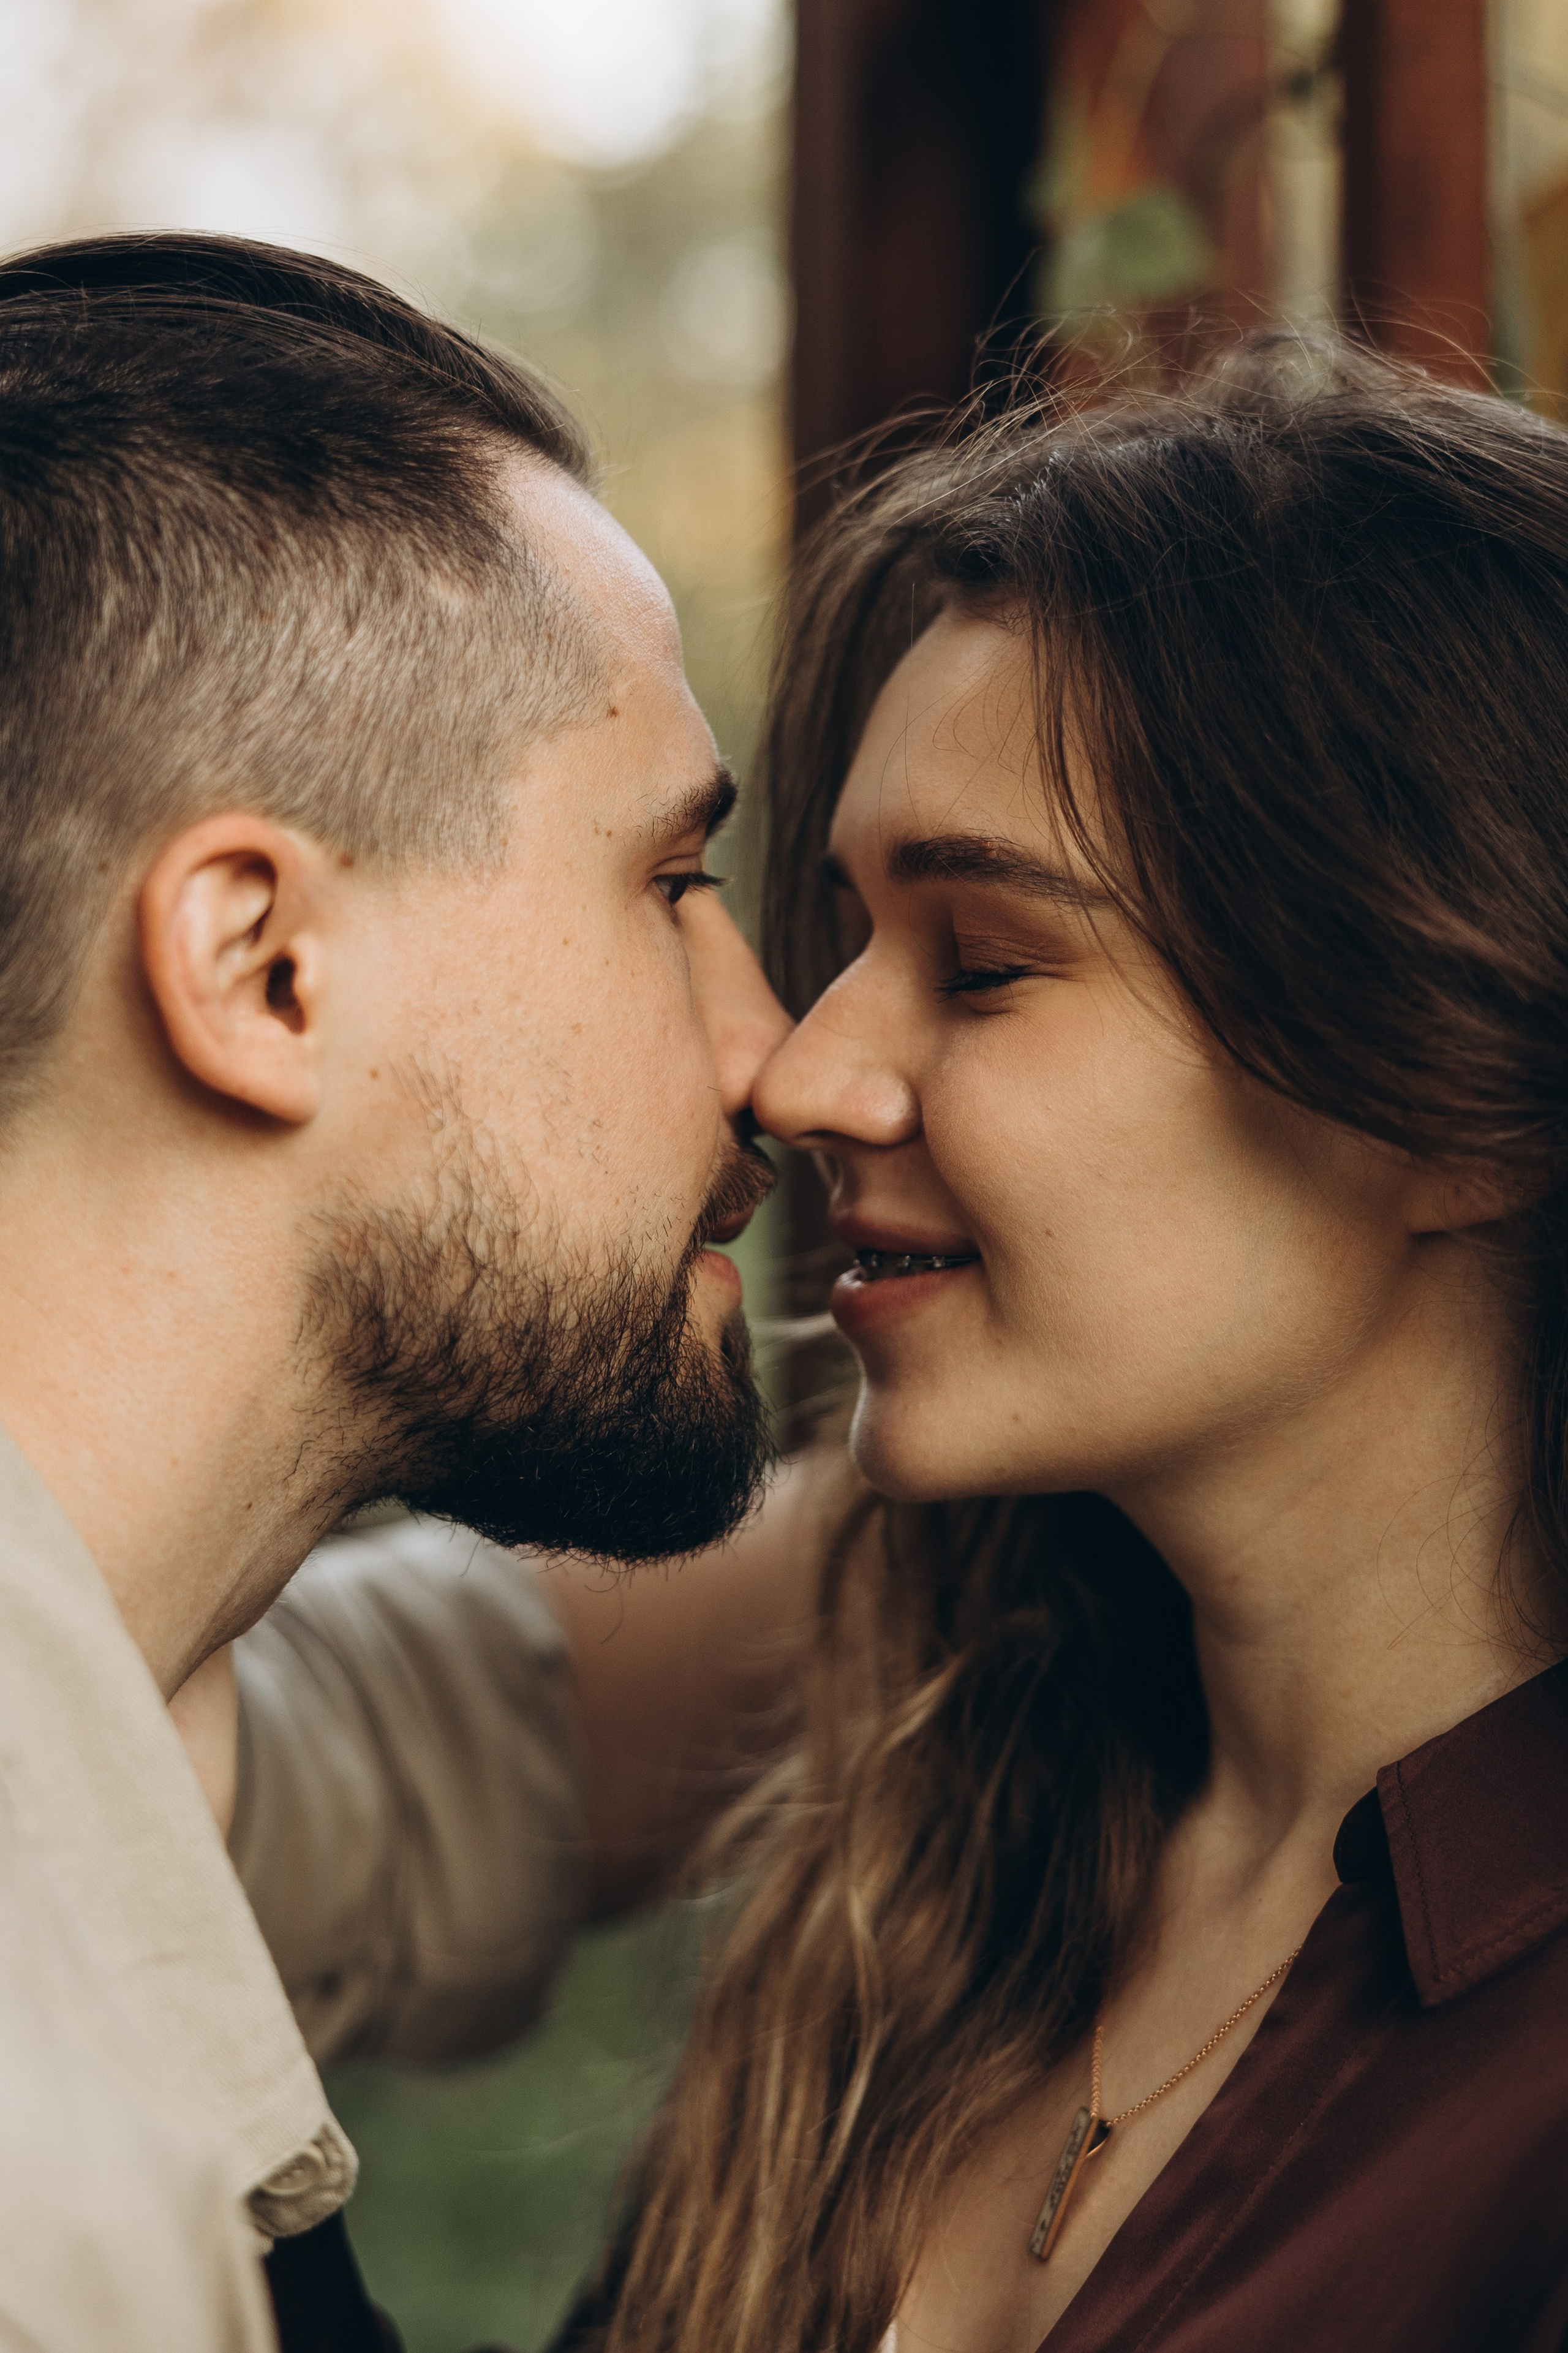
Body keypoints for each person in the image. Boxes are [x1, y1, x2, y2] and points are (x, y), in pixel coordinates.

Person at [545, 337, 1568, 2352]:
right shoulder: (925, 1866)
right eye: (841, 938)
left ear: (1464, 1099)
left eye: (988, 964)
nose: (811, 1071)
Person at [0, 227, 793, 2353]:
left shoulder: (119, 1693)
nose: (776, 1051)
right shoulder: (42, 2193)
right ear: (265, 968)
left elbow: (472, 1730)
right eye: (673, 884)